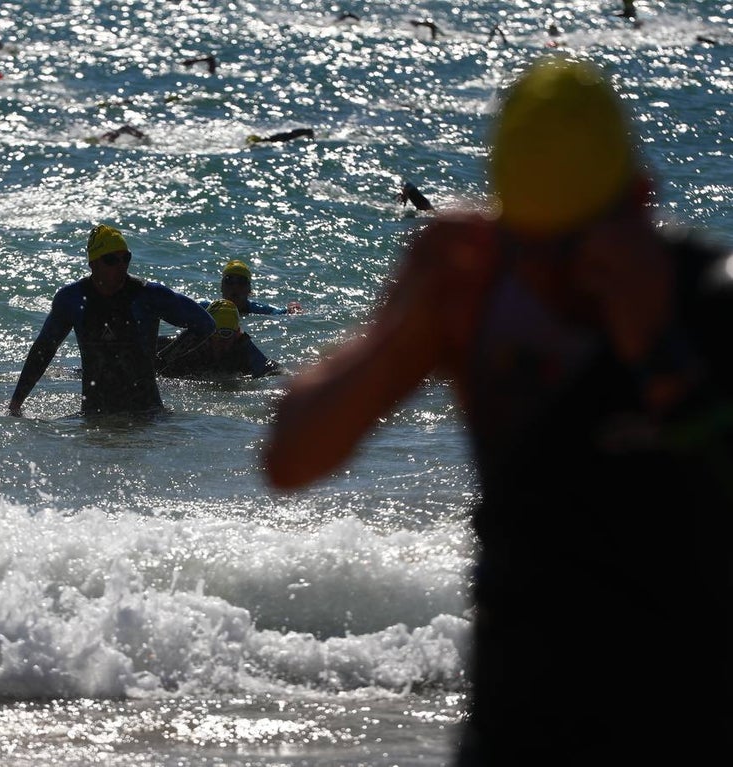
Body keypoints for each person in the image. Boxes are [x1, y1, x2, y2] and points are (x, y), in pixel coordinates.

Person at [263, 54, 733, 765]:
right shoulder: (481, 297)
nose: (549, 276)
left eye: (573, 250)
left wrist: (661, 355)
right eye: (529, 248)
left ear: (639, 201)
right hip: (514, 732)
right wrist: (405, 328)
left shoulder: (710, 303)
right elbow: (291, 459)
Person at [9, 224, 215, 417]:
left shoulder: (149, 296)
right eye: (111, 260)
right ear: (93, 263)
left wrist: (163, 360)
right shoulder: (71, 299)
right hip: (95, 415)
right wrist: (16, 404)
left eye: (125, 258)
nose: (120, 266)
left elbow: (206, 324)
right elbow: (43, 350)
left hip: (146, 415)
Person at [157, 299, 282, 379]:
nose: (219, 340)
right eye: (213, 333)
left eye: (226, 334)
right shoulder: (190, 343)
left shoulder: (244, 348)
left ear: (237, 334)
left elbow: (275, 371)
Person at [209, 259, 302, 315]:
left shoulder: (258, 310)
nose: (235, 286)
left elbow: (279, 313)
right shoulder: (209, 308)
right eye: (229, 281)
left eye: (241, 282)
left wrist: (292, 310)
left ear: (249, 289)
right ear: (221, 286)